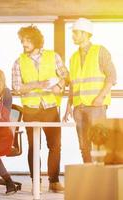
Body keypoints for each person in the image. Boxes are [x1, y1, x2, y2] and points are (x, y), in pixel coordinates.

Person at [12, 25, 68, 192]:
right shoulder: (18, 62)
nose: (23, 43)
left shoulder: (53, 56)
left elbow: (65, 74)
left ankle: (54, 181)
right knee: (34, 146)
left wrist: (60, 84)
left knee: (55, 145)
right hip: (30, 109)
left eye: (27, 40)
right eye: (22, 40)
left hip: (50, 107)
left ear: (36, 40)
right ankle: (36, 181)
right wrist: (38, 84)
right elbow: (16, 87)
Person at [62, 18, 117, 163]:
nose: (72, 36)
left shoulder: (100, 51)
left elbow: (112, 76)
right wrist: (69, 105)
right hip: (79, 107)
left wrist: (101, 97)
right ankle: (89, 173)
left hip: (96, 106)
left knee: (99, 143)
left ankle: (102, 177)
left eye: (75, 33)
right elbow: (74, 83)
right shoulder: (73, 57)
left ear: (85, 34)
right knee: (83, 145)